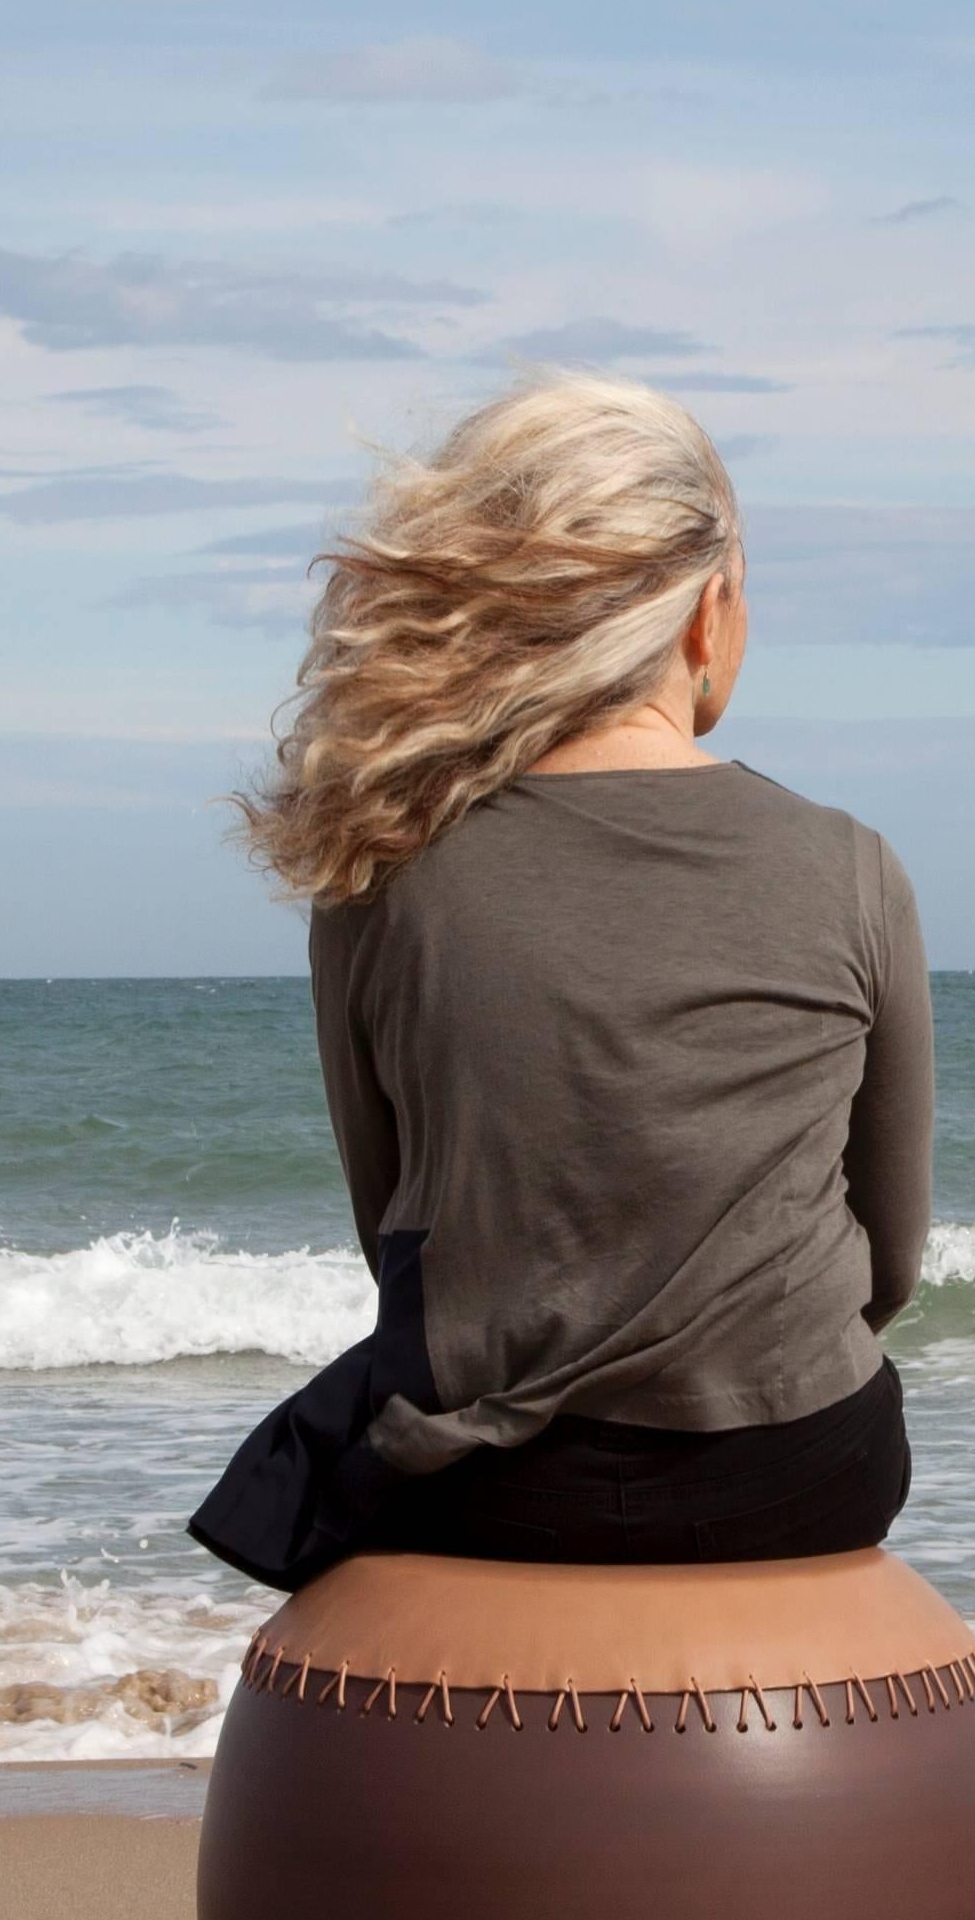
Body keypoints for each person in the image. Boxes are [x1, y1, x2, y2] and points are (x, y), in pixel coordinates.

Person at [221, 373, 928, 1571]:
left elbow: (394, 1226)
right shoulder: (850, 866)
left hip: (493, 1489)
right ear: (707, 616)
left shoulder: (383, 866)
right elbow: (890, 1261)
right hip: (805, 1469)